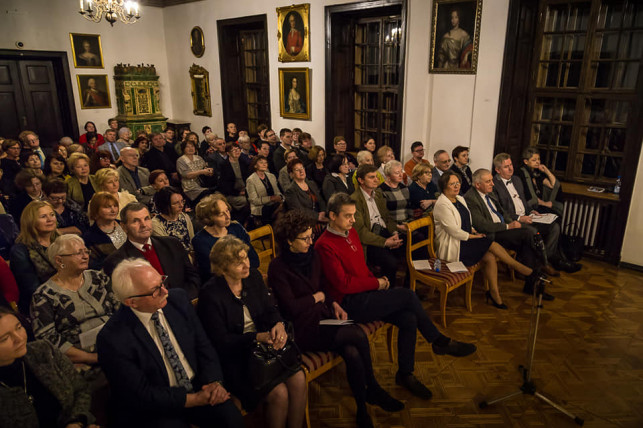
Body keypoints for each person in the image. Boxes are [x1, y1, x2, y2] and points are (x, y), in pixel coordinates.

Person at [316, 192, 477, 399]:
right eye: (348, 216)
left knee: (408, 318)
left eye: (354, 215)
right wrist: (378, 283)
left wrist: (376, 284)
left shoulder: (351, 232)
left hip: (365, 293)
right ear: (332, 216)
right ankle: (438, 340)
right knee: (408, 296)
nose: (353, 220)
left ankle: (405, 374)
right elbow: (343, 284)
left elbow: (361, 267)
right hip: (347, 304)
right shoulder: (324, 244)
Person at [269, 211, 404, 428]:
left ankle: (362, 409)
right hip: (302, 329)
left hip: (323, 318)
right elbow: (291, 308)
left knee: (352, 352)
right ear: (289, 241)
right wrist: (318, 297)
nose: (310, 241)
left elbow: (325, 286)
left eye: (311, 236)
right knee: (357, 333)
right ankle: (373, 388)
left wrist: (333, 303)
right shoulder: (278, 267)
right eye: (305, 238)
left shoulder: (312, 255)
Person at [97, 259, 244, 428]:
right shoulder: (112, 338)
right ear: (131, 302)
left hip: (199, 386)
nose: (165, 291)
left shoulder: (178, 299)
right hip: (155, 407)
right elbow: (140, 394)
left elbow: (203, 346)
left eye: (162, 282)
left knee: (231, 419)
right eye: (155, 290)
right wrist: (194, 399)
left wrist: (214, 382)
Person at [197, 235, 307, 426]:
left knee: (298, 379)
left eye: (246, 258)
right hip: (237, 361)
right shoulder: (210, 294)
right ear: (222, 268)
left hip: (265, 352)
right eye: (238, 263)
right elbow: (221, 341)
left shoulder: (253, 277)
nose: (246, 265)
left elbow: (269, 309)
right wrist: (256, 337)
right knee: (279, 393)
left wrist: (278, 324)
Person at [433, 171, 550, 307]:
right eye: (452, 184)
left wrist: (473, 231)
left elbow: (467, 222)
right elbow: (454, 231)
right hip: (454, 245)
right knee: (491, 243)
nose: (456, 186)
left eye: (458, 183)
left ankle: (494, 294)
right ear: (444, 186)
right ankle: (525, 270)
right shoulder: (442, 204)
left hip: (467, 240)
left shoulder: (459, 199)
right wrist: (474, 236)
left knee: (490, 257)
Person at [30, 235, 118, 371]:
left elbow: (121, 310)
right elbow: (48, 340)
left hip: (117, 343)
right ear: (59, 260)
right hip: (81, 359)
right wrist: (91, 358)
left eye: (86, 251)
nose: (85, 256)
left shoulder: (99, 278)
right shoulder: (44, 296)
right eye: (78, 253)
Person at [0, 306, 98, 427]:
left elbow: (81, 389)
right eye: (5, 338)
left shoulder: (43, 350)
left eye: (19, 327)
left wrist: (77, 421)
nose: (19, 338)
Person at [492, 153, 580, 273]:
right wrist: (519, 218)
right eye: (506, 167)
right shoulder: (494, 185)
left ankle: (544, 260)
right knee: (533, 232)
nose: (511, 168)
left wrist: (530, 211)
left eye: (511, 165)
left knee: (554, 227)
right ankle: (543, 264)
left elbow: (522, 201)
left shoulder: (516, 180)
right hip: (513, 222)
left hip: (528, 216)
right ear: (497, 170)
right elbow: (500, 211)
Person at [103, 202, 201, 299]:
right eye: (136, 221)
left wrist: (182, 299)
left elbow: (193, 277)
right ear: (124, 227)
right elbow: (127, 298)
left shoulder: (173, 244)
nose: (143, 225)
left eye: (146, 219)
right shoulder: (116, 261)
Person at [464, 168, 547, 275]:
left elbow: (502, 212)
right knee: (528, 234)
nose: (492, 184)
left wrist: (511, 223)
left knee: (530, 236)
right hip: (493, 233)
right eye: (488, 181)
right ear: (477, 185)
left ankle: (533, 274)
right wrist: (508, 226)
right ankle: (538, 269)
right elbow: (482, 225)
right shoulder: (470, 198)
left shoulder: (489, 192)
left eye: (492, 180)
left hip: (504, 227)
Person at [350, 164, 405, 286]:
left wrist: (394, 233)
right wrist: (385, 242)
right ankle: (387, 291)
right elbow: (361, 232)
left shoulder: (378, 194)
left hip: (384, 231)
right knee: (391, 263)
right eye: (372, 177)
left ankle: (409, 287)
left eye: (377, 176)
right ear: (361, 180)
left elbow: (387, 218)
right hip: (370, 240)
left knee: (414, 244)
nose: (377, 180)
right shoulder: (355, 199)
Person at [192, 194, 259, 283]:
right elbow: (212, 272)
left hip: (245, 275)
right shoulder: (200, 240)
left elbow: (254, 259)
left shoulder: (236, 228)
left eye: (227, 210)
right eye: (221, 214)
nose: (228, 216)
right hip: (222, 283)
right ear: (209, 218)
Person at [9, 201, 59, 313]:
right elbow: (32, 289)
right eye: (43, 216)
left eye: (52, 215)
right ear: (31, 222)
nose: (50, 219)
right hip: (41, 306)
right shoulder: (20, 251)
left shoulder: (63, 242)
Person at [83, 192, 126, 270]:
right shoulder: (90, 236)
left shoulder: (125, 226)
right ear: (96, 210)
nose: (113, 210)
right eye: (107, 207)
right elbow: (94, 265)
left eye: (115, 206)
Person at [519, 147, 563, 216]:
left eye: (538, 159)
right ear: (526, 161)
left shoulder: (536, 174)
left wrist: (546, 170)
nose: (538, 162)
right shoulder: (522, 173)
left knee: (556, 211)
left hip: (540, 207)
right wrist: (544, 203)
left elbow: (554, 185)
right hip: (530, 208)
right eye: (534, 160)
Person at [152, 187, 194, 253]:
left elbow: (192, 240)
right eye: (176, 203)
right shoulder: (156, 223)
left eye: (182, 201)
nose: (181, 205)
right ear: (165, 205)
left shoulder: (184, 216)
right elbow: (166, 248)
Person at [284, 158, 327, 224]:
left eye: (302, 168)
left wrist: (323, 211)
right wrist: (317, 216)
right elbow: (299, 210)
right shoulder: (290, 191)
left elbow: (321, 200)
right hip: (306, 222)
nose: (301, 171)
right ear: (291, 174)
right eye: (297, 170)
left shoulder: (311, 183)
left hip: (321, 217)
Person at [246, 155, 284, 225]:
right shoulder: (251, 180)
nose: (264, 164)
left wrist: (280, 197)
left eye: (265, 162)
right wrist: (270, 198)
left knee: (284, 206)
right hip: (261, 207)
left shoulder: (271, 176)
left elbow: (277, 192)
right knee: (280, 211)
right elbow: (254, 200)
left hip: (274, 203)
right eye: (261, 162)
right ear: (255, 166)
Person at [218, 142, 250, 223]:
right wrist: (239, 192)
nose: (237, 151)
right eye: (234, 150)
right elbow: (224, 186)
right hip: (231, 193)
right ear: (228, 153)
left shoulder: (243, 162)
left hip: (245, 190)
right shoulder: (224, 165)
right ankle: (241, 221)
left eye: (238, 149)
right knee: (246, 201)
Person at [177, 139, 214, 204]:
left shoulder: (198, 158)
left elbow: (205, 167)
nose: (191, 148)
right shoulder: (181, 160)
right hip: (190, 187)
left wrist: (209, 171)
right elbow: (187, 175)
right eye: (187, 147)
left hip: (202, 183)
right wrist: (201, 171)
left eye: (192, 146)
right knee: (206, 194)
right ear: (183, 149)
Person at [379, 160, 412, 224]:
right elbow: (384, 214)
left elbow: (409, 208)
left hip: (407, 223)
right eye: (397, 173)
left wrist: (410, 222)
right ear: (388, 176)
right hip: (391, 225)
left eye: (401, 171)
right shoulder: (382, 190)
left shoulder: (404, 188)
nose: (401, 175)